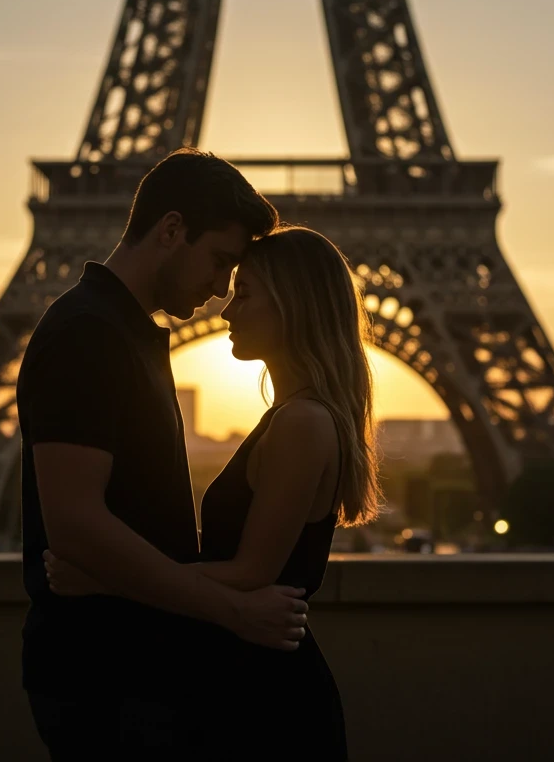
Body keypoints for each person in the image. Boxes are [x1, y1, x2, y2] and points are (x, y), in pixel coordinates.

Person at [47, 225, 383, 760]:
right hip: (252, 680)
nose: (226, 310)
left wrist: (104, 578)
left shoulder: (301, 423)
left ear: (294, 307)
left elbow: (251, 572)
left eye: (245, 294)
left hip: (264, 698)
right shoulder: (294, 416)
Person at [17, 148, 309, 759]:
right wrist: (232, 611)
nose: (223, 288)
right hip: (108, 678)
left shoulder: (119, 333)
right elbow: (74, 524)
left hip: (127, 669)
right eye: (221, 261)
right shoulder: (88, 334)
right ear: (172, 230)